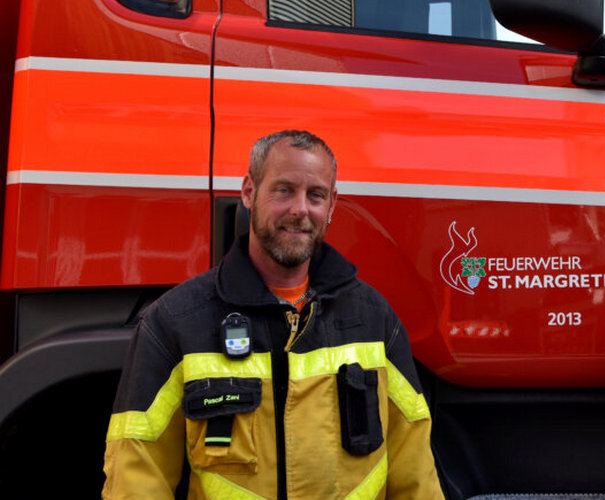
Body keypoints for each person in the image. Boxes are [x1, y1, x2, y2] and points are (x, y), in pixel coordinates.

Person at [103, 130, 444, 499]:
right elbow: (136, 476)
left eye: (315, 195)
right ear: (249, 192)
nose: (300, 209)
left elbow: (415, 474)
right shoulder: (176, 321)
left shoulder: (374, 319)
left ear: (331, 205)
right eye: (283, 190)